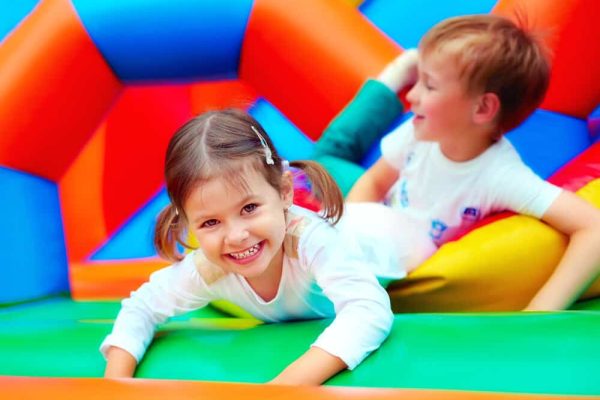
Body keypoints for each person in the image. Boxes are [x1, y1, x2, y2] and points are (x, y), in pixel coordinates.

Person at [313, 14, 600, 311]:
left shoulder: (500, 176)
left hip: (403, 242)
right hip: (385, 215)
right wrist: (348, 229)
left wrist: (540, 311)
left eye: (429, 85)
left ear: (483, 108)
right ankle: (396, 76)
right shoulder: (420, 129)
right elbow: (374, 182)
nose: (412, 96)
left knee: (325, 159)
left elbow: (594, 228)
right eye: (419, 81)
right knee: (326, 158)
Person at [100, 109, 395, 385]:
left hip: (386, 233)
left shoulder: (310, 240)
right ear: (188, 222)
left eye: (249, 207)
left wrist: (280, 388)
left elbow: (368, 310)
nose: (236, 236)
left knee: (346, 164)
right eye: (210, 222)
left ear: (284, 191)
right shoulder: (209, 267)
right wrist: (116, 389)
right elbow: (142, 308)